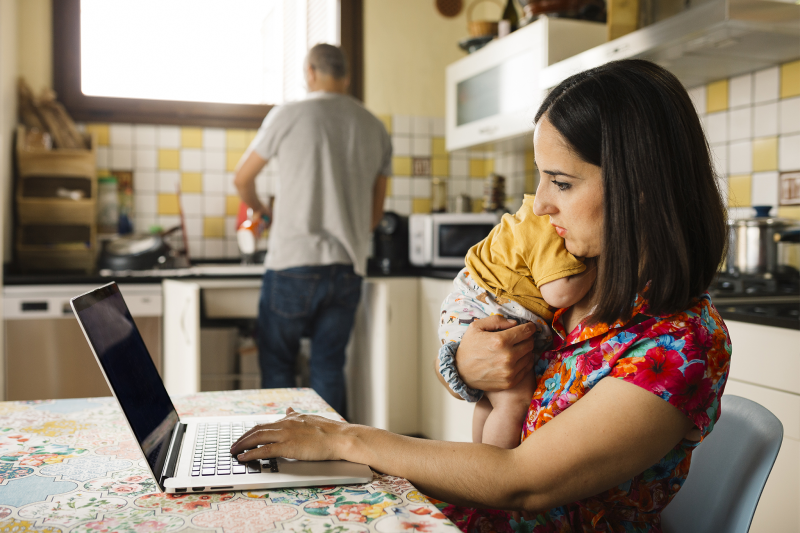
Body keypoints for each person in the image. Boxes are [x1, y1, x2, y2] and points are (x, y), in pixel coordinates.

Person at [230, 59, 731, 532]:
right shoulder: (571, 284)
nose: (540, 205)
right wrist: (466, 364)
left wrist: (347, 437)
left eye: (561, 182)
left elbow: (520, 481)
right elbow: (476, 367)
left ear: (636, 186)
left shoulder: (679, 345)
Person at [234, 43, 392, 415]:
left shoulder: (288, 114)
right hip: (347, 266)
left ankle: (280, 461)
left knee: (278, 366)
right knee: (328, 367)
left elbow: (242, 179)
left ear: (310, 72)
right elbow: (374, 215)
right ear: (346, 77)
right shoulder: (375, 127)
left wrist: (263, 213)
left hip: (293, 262)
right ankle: (333, 462)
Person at [438, 198, 597, 448]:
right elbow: (559, 294)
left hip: (470, 305)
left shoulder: (528, 217)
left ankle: (479, 460)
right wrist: (594, 264)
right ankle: (492, 476)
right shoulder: (548, 224)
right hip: (489, 309)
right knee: (515, 403)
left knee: (492, 399)